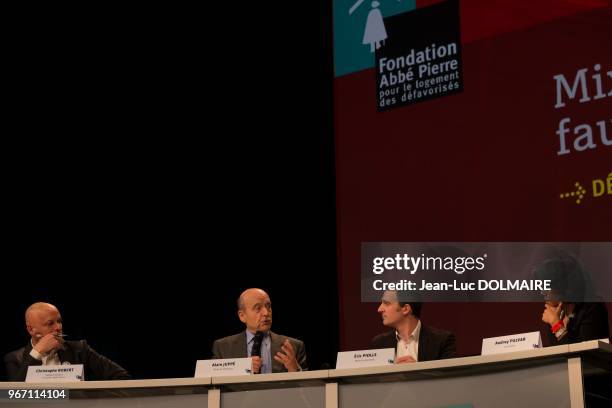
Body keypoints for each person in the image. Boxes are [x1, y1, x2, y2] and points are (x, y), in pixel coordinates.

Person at [4, 302, 131, 381]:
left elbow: (122, 376)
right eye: (50, 323)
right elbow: (13, 395)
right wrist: (37, 352)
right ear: (31, 330)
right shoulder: (15, 358)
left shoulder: (80, 349)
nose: (58, 327)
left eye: (59, 321)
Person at [211, 288, 307, 373]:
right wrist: (243, 369)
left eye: (268, 306)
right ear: (242, 316)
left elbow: (308, 390)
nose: (266, 313)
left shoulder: (294, 346)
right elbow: (211, 381)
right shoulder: (222, 347)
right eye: (258, 308)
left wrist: (295, 370)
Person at [536, 255, 610, 345]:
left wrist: (556, 325)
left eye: (546, 287)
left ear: (561, 286)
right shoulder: (556, 312)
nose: (542, 293)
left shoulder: (592, 308)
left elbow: (584, 353)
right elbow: (556, 352)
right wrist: (555, 323)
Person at [370, 290, 456, 362]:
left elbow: (451, 377)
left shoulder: (441, 340)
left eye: (386, 303)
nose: (379, 309)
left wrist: (418, 371)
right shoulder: (379, 343)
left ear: (406, 309)